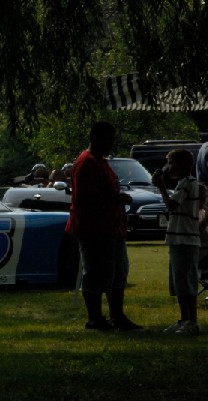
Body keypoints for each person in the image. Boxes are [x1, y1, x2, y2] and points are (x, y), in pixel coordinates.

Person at [66, 121, 142, 331]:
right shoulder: (86, 162)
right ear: (97, 139)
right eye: (108, 139)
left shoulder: (100, 161)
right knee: (96, 273)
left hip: (111, 227)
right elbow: (84, 198)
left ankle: (117, 316)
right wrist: (116, 198)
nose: (111, 144)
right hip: (94, 228)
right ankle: (95, 318)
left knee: (118, 271)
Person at [152, 149, 206, 335]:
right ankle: (184, 319)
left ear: (184, 165)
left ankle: (191, 320)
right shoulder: (184, 184)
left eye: (172, 163)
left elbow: (171, 205)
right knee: (180, 280)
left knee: (186, 280)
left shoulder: (188, 184)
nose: (169, 167)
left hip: (185, 238)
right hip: (179, 237)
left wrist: (160, 187)